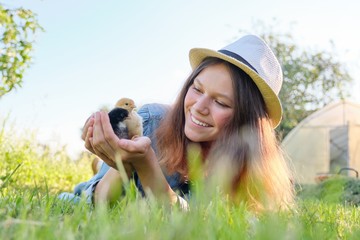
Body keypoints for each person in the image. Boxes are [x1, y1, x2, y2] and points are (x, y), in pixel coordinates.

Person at [59, 34, 294, 212]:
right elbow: (96, 203)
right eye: (197, 89)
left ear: (248, 122)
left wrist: (147, 164)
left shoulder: (246, 172)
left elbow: (196, 226)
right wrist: (125, 164)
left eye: (221, 103)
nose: (198, 106)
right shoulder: (150, 123)